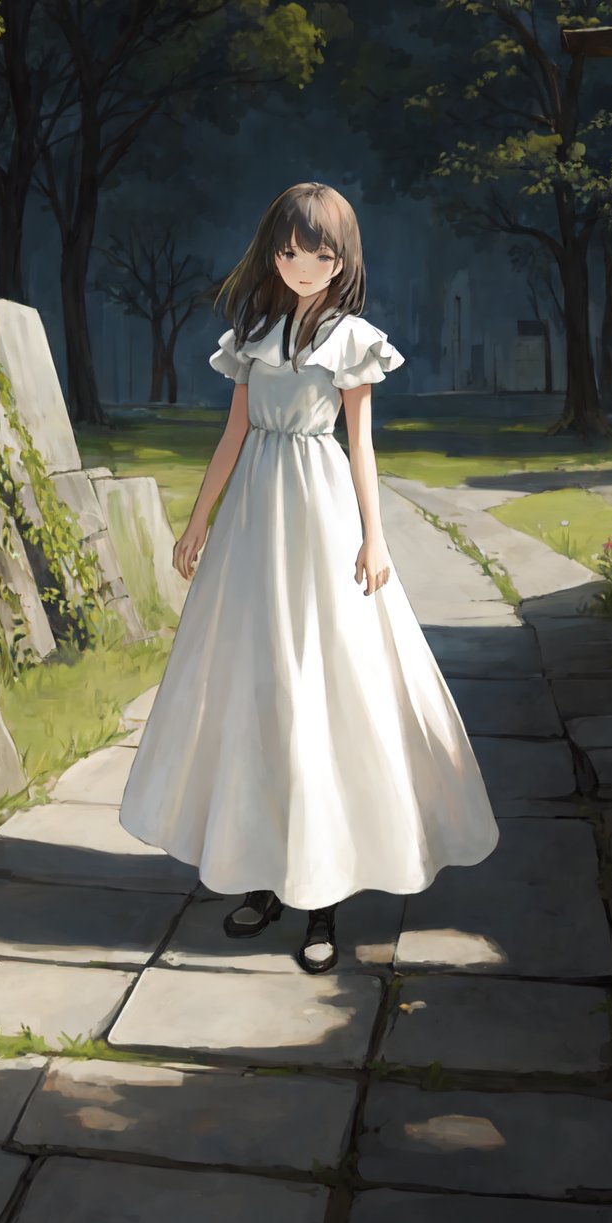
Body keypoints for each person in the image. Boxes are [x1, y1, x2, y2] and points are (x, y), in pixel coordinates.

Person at [118, 180, 498, 972]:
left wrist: (374, 536)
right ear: (274, 252)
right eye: (290, 251)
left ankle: (321, 899)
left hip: (319, 518)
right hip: (254, 525)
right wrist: (197, 519)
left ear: (339, 259)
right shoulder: (254, 333)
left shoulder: (352, 339)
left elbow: (361, 446)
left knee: (319, 693)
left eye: (317, 253)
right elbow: (232, 435)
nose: (300, 264)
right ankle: (260, 874)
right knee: (255, 690)